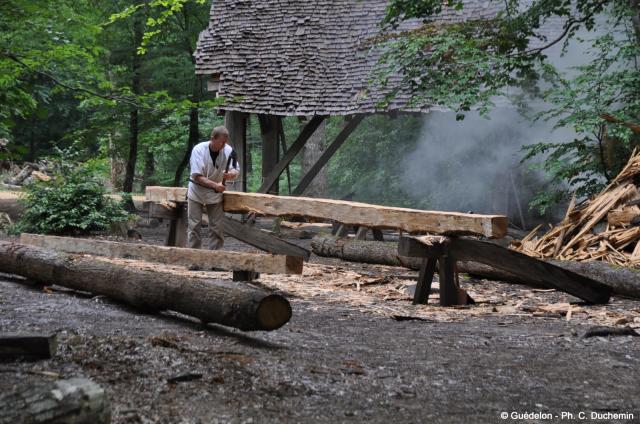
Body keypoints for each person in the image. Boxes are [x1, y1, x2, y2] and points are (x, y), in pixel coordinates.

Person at [187, 126, 239, 250]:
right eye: (221, 141)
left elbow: (236, 169)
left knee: (216, 227)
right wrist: (216, 185)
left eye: (226, 142)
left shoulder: (228, 150)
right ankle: (194, 260)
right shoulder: (199, 150)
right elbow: (197, 176)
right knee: (194, 227)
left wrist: (231, 174)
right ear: (213, 138)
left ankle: (215, 259)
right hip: (196, 192)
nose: (224, 145)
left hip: (215, 194)